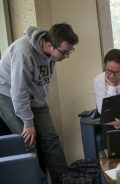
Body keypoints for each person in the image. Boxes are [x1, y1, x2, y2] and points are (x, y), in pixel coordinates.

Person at [0, 23, 79, 183]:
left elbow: (39, 83)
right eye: (64, 52)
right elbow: (18, 90)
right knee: (29, 142)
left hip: (32, 97)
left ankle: (64, 180)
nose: (66, 56)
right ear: (50, 44)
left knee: (51, 139)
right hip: (6, 93)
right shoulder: (24, 52)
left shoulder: (52, 54)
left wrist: (40, 106)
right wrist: (28, 122)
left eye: (69, 51)